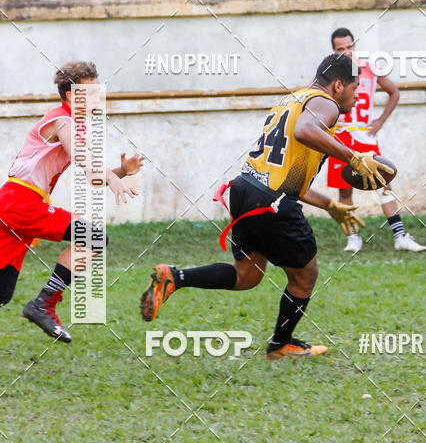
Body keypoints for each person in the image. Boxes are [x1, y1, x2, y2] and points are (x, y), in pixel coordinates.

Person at [140, 53, 389, 360]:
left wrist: (329, 205)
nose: (356, 93)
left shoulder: (292, 99)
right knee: (305, 276)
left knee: (248, 275)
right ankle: (280, 344)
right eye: (355, 87)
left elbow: (290, 175)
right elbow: (306, 132)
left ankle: (173, 278)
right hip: (271, 200)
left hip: (246, 188)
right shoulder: (326, 104)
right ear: (338, 85)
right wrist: (352, 156)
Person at [0, 61, 143, 343]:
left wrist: (121, 172)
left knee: (1, 293)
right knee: (94, 237)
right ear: (71, 96)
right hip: (21, 202)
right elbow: (84, 160)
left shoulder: (73, 125)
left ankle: (42, 304)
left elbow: (92, 176)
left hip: (15, 206)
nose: (98, 97)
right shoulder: (61, 121)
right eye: (90, 92)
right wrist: (112, 178)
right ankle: (44, 304)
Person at [326, 27, 426, 254]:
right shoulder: (329, 72)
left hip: (364, 134)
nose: (346, 52)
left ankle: (400, 236)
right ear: (334, 50)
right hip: (341, 136)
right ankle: (353, 237)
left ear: (355, 45)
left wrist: (380, 120)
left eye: (349, 47)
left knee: (383, 184)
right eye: (340, 49)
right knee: (344, 190)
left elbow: (394, 92)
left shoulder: (369, 68)